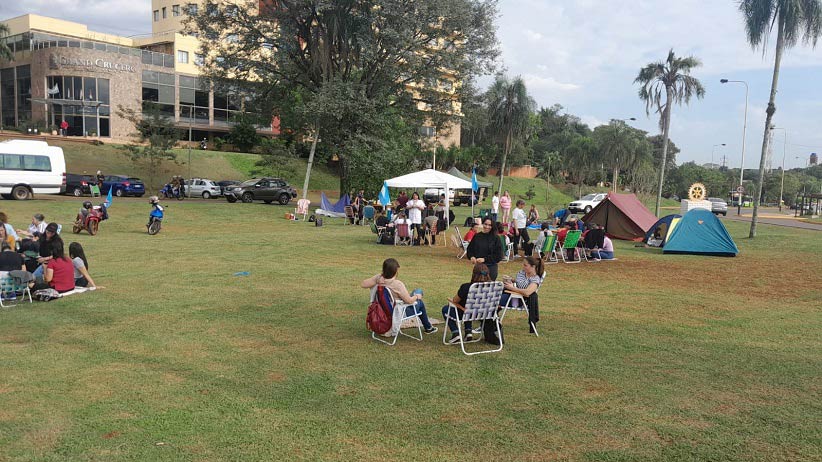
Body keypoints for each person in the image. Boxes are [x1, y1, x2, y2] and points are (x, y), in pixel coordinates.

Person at [361, 258, 437, 334]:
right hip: (398, 312)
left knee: (415, 292)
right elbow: (409, 301)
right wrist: (417, 297)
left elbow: (363, 284)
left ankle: (428, 327)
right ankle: (428, 327)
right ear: (395, 271)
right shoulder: (397, 284)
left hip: (383, 309)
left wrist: (377, 280)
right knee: (419, 299)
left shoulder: (379, 278)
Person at [442, 263, 491, 343]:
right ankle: (468, 332)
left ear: (474, 273)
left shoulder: (466, 287)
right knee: (468, 307)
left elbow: (455, 301)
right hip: (484, 314)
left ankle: (455, 333)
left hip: (467, 313)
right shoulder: (493, 287)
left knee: (446, 309)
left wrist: (450, 300)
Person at [500, 256, 544, 334]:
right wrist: (510, 280)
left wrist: (512, 288)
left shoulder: (535, 279)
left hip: (517, 301)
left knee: (493, 300)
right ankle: (492, 321)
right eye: (523, 264)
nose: (523, 267)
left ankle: (490, 323)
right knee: (494, 295)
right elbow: (518, 282)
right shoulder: (522, 273)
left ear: (533, 266)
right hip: (512, 295)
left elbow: (528, 292)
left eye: (525, 265)